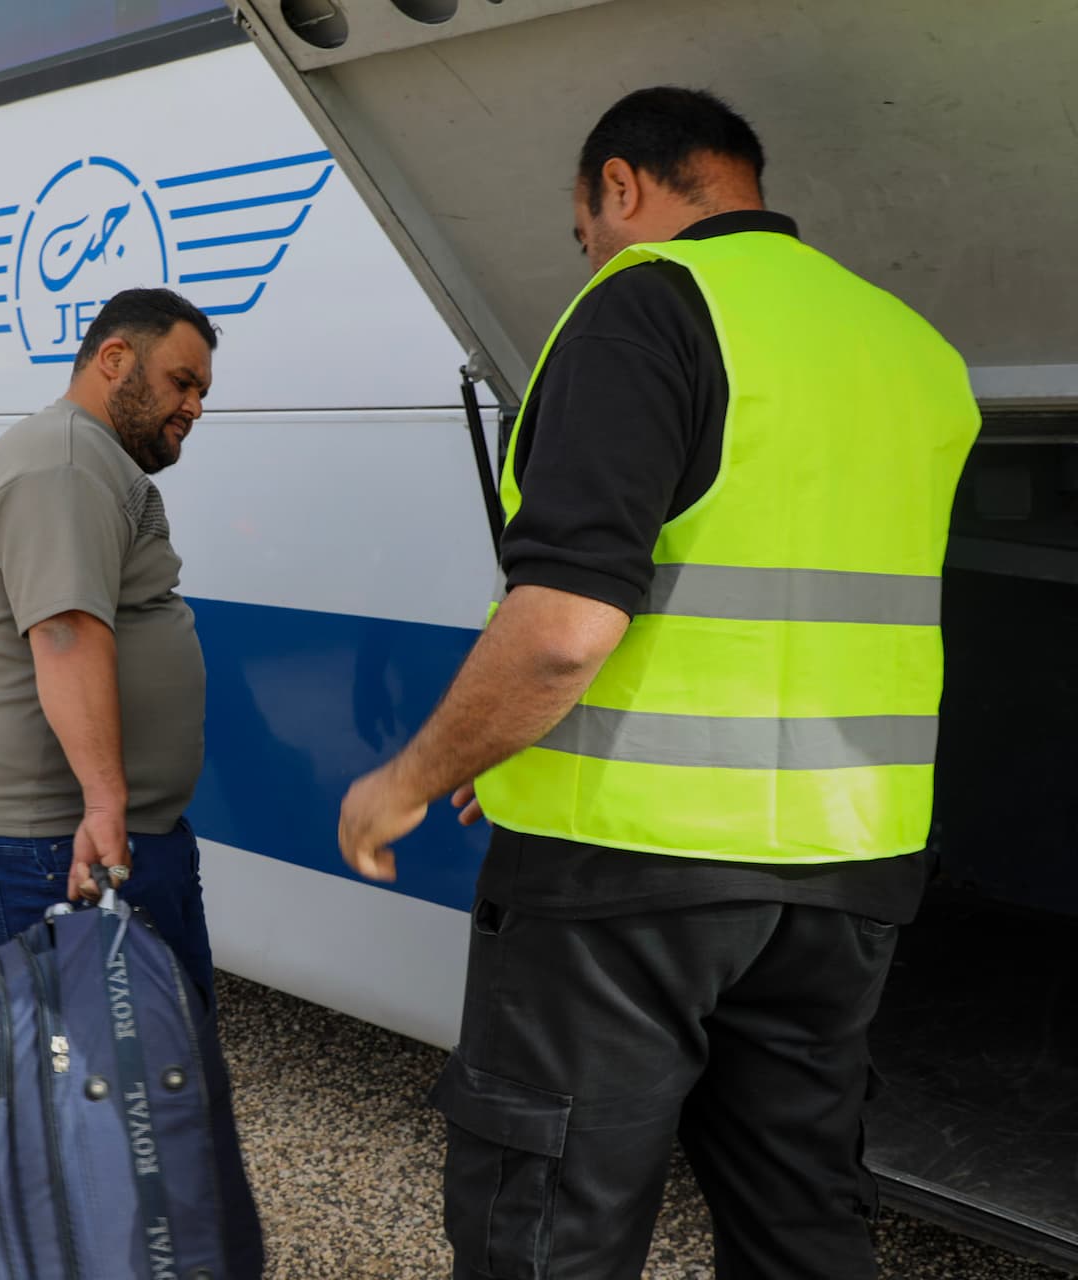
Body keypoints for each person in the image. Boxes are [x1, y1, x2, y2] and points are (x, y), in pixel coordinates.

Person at [336, 87, 978, 1280]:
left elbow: (562, 631)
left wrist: (411, 777)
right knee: (802, 1221)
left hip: (623, 882)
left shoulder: (648, 303)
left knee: (551, 1233)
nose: (589, 255)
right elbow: (775, 608)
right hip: (848, 867)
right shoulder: (913, 348)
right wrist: (512, 745)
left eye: (584, 229)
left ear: (621, 186)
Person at [0, 287, 264, 1279]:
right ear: (114, 359)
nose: (194, 405)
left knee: (131, 1072)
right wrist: (108, 805)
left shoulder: (92, 463)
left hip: (90, 831)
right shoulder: (63, 459)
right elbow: (68, 632)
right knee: (108, 1082)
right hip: (51, 838)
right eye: (181, 381)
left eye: (203, 391)